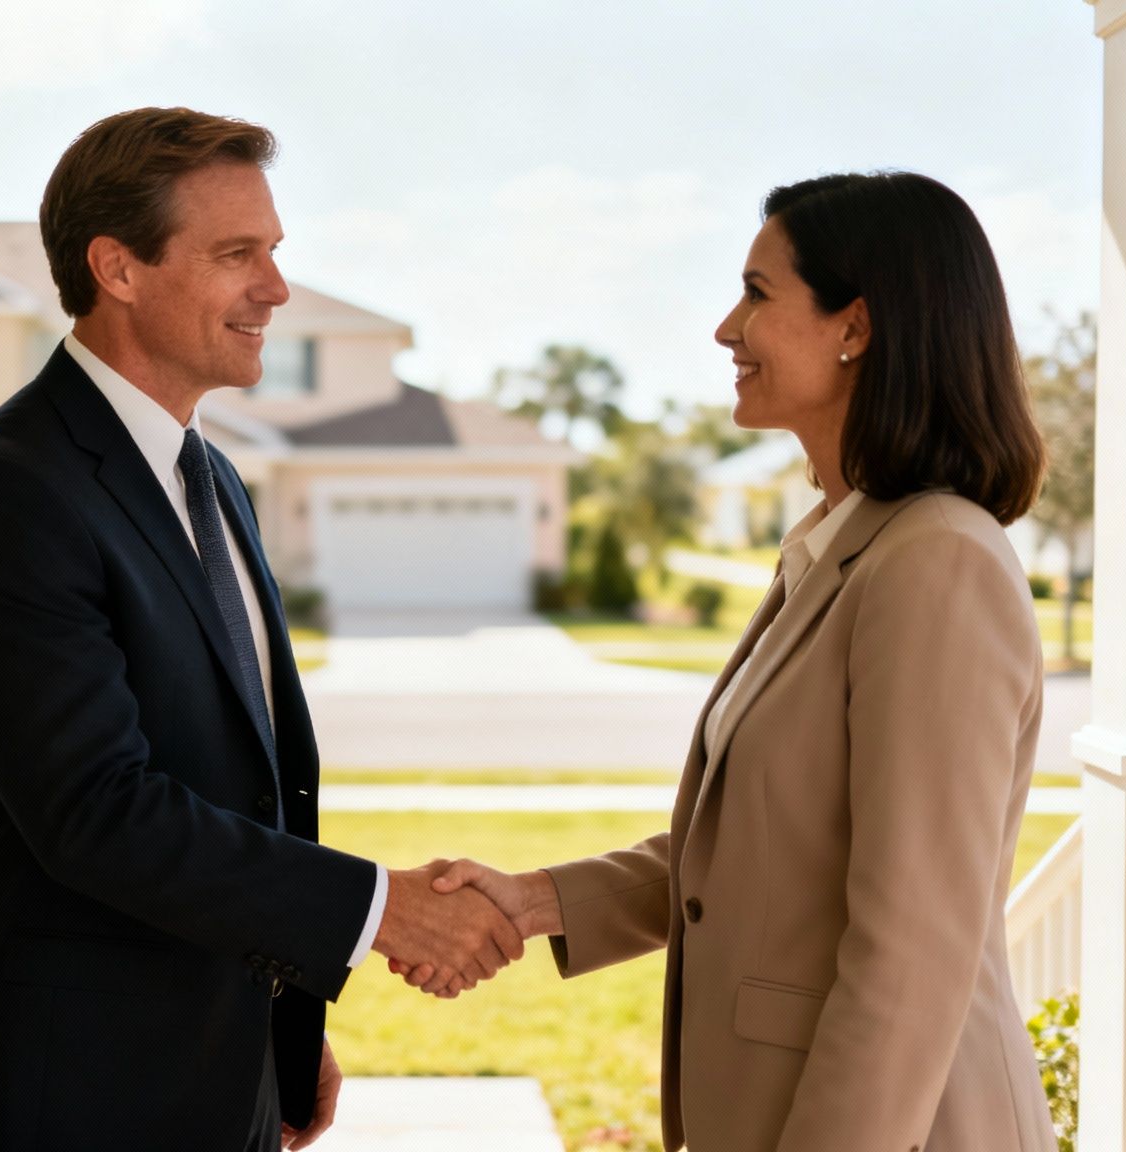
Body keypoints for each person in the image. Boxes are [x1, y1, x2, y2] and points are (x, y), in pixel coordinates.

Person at [0, 107, 522, 1152]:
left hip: (221, 1070)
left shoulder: (212, 479)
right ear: (118, 268)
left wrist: (279, 1025)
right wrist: (383, 910)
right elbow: (97, 811)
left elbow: (239, 781)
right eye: (237, 255)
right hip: (75, 1095)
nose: (274, 289)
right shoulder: (8, 494)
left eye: (273, 254)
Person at [421, 172, 1058, 1151]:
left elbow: (912, 953)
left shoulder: (934, 563)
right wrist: (536, 902)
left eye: (757, 293)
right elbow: (767, 854)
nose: (726, 328)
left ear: (856, 326)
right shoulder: (845, 545)